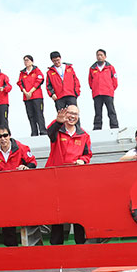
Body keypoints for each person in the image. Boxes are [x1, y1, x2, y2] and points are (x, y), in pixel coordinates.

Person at [0, 126, 37, 246]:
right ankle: (10, 246)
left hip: (21, 190)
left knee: (26, 218)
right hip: (4, 192)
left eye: (5, 135)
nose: (3, 139)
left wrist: (26, 167)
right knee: (6, 219)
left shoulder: (22, 148)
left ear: (9, 136)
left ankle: (30, 246)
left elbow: (33, 163)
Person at [46, 105, 92, 245]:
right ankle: (56, 246)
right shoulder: (57, 130)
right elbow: (50, 133)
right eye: (70, 113)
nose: (72, 116)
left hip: (75, 181)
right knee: (57, 213)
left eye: (75, 114)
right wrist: (58, 122)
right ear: (64, 114)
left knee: (77, 213)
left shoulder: (84, 135)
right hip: (57, 180)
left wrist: (82, 161)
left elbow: (87, 155)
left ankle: (80, 244)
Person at [88, 49, 119, 130]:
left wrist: (110, 89)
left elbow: (115, 81)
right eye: (98, 55)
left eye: (101, 55)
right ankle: (97, 127)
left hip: (108, 93)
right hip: (97, 93)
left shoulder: (110, 67)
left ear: (105, 56)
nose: (99, 57)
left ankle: (114, 126)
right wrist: (95, 88)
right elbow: (90, 81)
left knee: (111, 111)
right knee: (98, 112)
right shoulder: (92, 68)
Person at [17, 55, 47, 136]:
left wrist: (31, 91)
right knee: (30, 115)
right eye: (24, 60)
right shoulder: (22, 73)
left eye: (27, 60)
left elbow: (39, 80)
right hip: (27, 97)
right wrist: (25, 92)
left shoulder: (37, 70)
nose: (26, 62)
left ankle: (43, 130)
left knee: (39, 114)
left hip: (37, 96)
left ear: (32, 61)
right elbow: (20, 83)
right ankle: (34, 132)